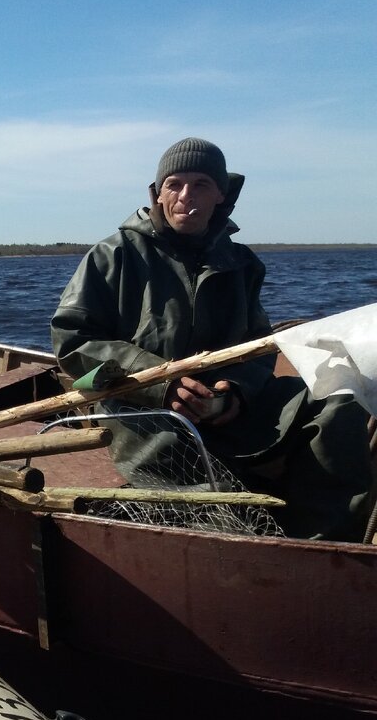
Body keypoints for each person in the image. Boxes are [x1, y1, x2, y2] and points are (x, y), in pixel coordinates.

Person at [51, 137, 372, 542]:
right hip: (141, 405)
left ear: (221, 194)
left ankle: (325, 548)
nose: (186, 196)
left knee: (336, 398)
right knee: (189, 478)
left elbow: (258, 345)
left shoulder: (241, 263)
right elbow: (72, 342)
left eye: (201, 184)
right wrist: (160, 383)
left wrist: (235, 391)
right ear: (157, 192)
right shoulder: (113, 255)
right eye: (175, 184)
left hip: (225, 406)